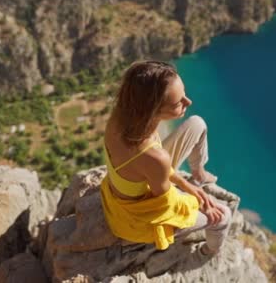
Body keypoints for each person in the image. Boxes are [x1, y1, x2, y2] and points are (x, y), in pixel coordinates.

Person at [99, 60, 232, 256]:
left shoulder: (122, 115)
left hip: (141, 173)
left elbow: (150, 164)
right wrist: (199, 204)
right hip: (135, 218)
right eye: (178, 102)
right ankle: (209, 252)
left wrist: (187, 184)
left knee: (197, 123)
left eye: (184, 94)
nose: (188, 102)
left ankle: (198, 172)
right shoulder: (154, 158)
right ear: (152, 110)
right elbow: (165, 205)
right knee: (223, 216)